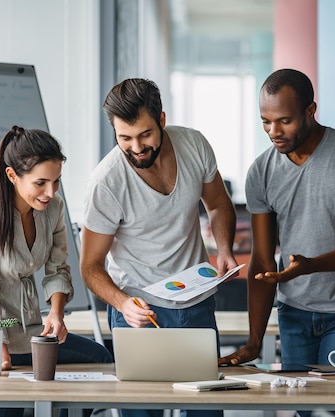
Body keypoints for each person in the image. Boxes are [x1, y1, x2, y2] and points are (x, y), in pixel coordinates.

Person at [219, 69, 335, 417]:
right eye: (265, 121)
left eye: (284, 121)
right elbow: (263, 262)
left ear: (311, 111)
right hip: (294, 313)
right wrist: (254, 340)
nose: (274, 132)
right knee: (304, 411)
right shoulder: (261, 171)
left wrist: (310, 265)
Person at [80, 78, 238, 417]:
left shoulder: (193, 144)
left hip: (196, 302)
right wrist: (123, 303)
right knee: (141, 412)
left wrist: (224, 249)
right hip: (139, 311)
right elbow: (90, 267)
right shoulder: (106, 182)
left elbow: (219, 204)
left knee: (206, 412)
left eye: (145, 134)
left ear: (162, 120)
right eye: (125, 138)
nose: (136, 147)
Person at [0, 126, 113, 417]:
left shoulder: (53, 207)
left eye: (56, 181)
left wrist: (56, 314)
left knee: (98, 358)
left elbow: (58, 268)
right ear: (12, 176)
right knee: (6, 402)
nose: (50, 192)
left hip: (29, 331)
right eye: (40, 183)